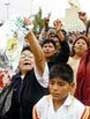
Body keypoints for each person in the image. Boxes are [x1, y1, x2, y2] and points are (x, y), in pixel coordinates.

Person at [3, 29, 49, 119]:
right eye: (23, 56)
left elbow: (40, 59)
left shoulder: (40, 77)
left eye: (30, 57)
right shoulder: (14, 79)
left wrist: (29, 33)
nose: (26, 58)